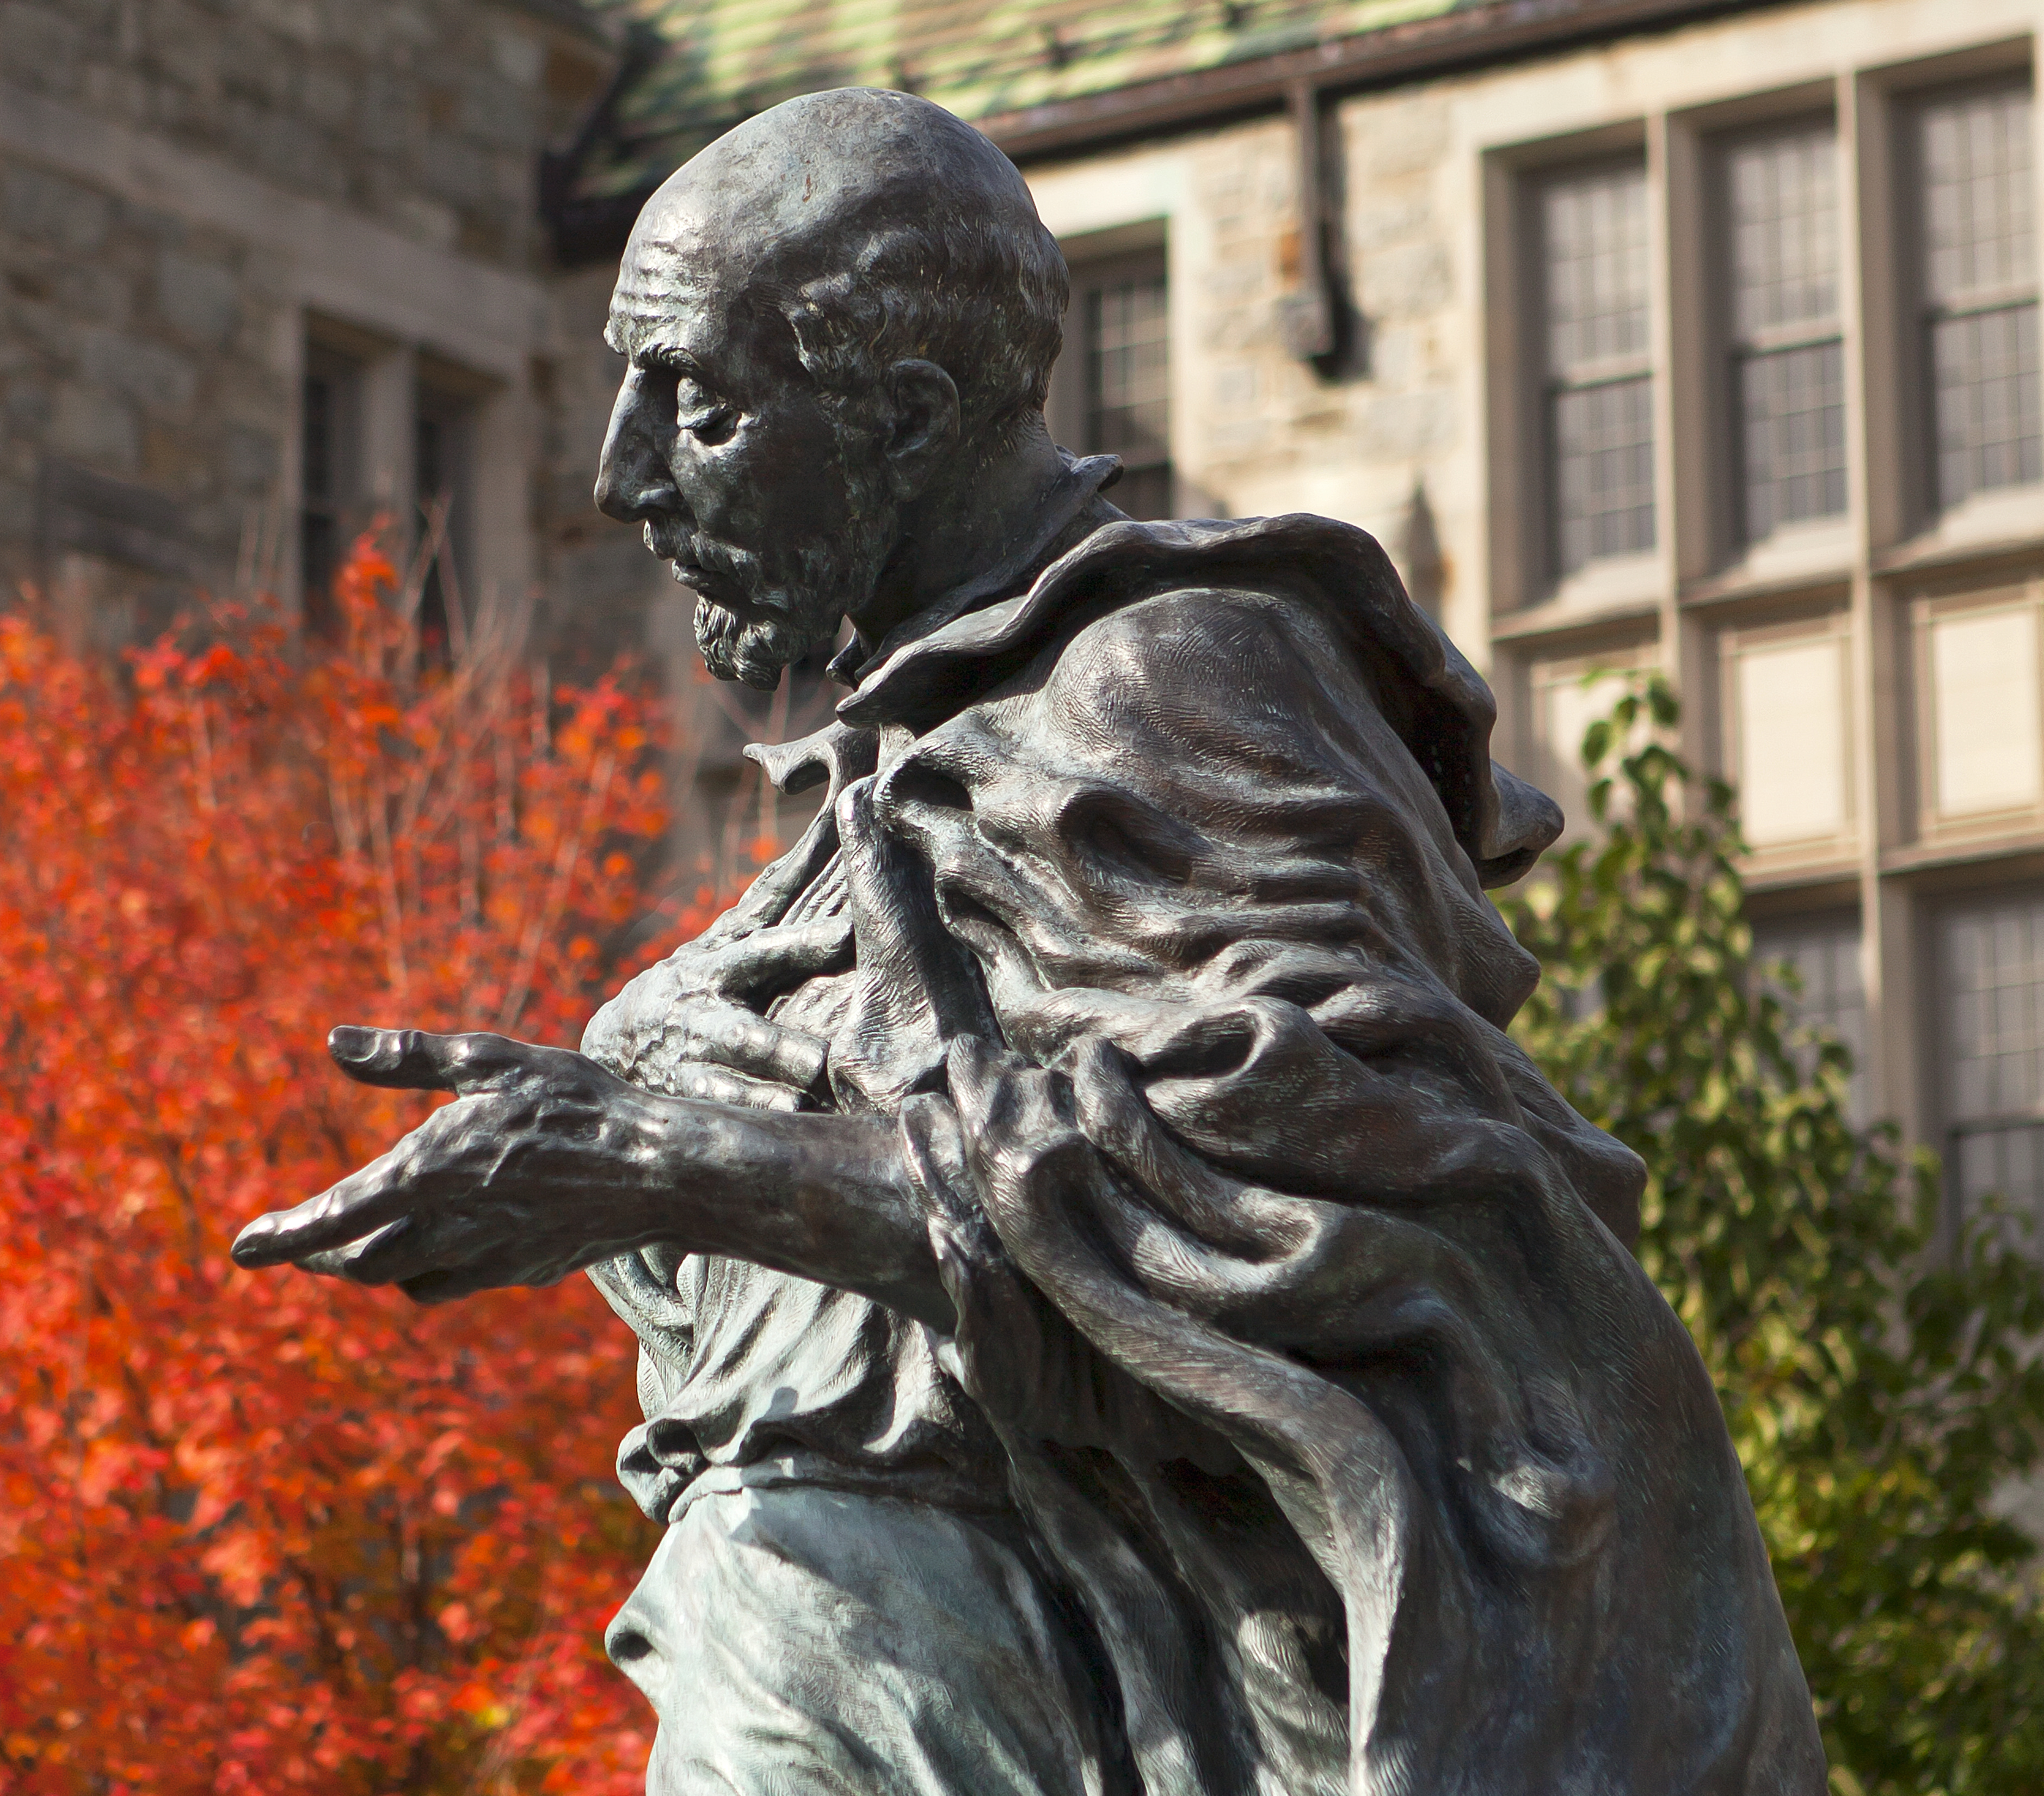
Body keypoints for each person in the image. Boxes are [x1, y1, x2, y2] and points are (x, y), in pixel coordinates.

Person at [233, 87, 1823, 1796]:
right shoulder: (903, 768)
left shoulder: (1171, 679)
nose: (620, 474)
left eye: (694, 403)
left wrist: (666, 1157)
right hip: (887, 1660)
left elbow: (1325, 1206)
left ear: (906, 417)